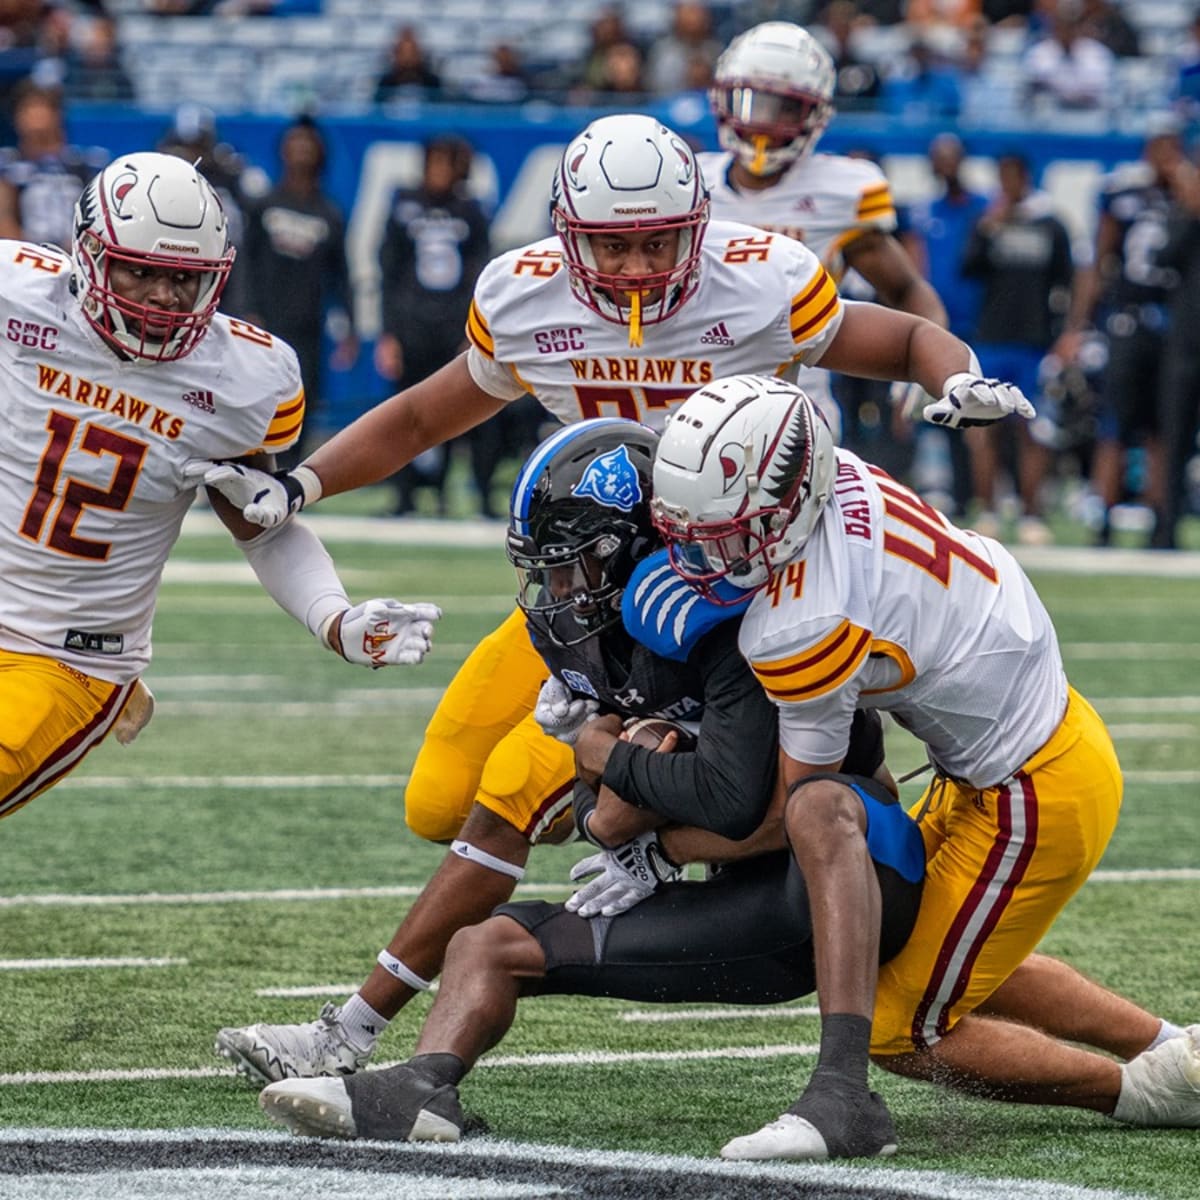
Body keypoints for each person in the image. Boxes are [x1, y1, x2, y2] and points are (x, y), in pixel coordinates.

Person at [202, 111, 1032, 1083]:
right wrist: (302, 485)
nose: (636, 267)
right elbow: (428, 411)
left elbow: (904, 338)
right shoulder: (526, 300)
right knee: (443, 797)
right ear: (564, 233)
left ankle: (353, 1026)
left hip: (723, 595)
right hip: (585, 587)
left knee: (514, 799)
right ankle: (661, 827)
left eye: (655, 242)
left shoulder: (760, 279)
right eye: (612, 245)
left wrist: (957, 376)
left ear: (698, 228)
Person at [253, 416, 928, 1152]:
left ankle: (840, 1095)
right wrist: (610, 784)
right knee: (486, 943)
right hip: (745, 905)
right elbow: (599, 821)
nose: (559, 590)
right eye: (546, 568)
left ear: (638, 549)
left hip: (852, 884)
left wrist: (610, 762)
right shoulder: (617, 634)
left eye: (575, 567)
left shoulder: (748, 623)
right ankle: (421, 1090)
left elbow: (736, 801)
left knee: (830, 819)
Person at [648, 372, 1198, 1157]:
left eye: (729, 534)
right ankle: (1175, 1045)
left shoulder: (803, 617)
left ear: (788, 504)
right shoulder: (841, 474)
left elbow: (793, 816)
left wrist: (660, 848)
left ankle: (1139, 1095)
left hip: (1030, 792)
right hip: (1018, 749)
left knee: (900, 1027)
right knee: (924, 948)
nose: (704, 556)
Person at [0, 151, 439, 821]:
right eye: (140, 270)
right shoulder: (16, 296)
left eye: (184, 278)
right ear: (87, 254)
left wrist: (334, 618)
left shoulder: (242, 382)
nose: (162, 296)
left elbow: (260, 525)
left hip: (63, 654)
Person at [700, 20, 947, 443]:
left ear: (815, 113)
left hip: (796, 405)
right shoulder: (690, 184)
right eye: (750, 102)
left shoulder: (838, 192)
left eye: (783, 108)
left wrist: (930, 363)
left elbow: (906, 290)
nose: (763, 122)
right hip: (692, 389)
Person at [1053, 116, 1186, 546]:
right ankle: (1103, 517)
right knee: (1114, 423)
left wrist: (1181, 178)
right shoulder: (1123, 192)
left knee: (1164, 426)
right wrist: (1077, 326)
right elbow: (1097, 261)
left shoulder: (1188, 192)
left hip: (1175, 323)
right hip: (1128, 319)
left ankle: (1158, 519)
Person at [959, 152, 1074, 544]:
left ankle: (1031, 512)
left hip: (1033, 342)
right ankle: (988, 508)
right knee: (984, 428)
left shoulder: (1050, 225)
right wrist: (989, 229)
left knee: (1033, 431)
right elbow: (967, 269)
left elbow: (1068, 281)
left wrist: (1066, 334)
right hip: (991, 337)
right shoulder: (987, 222)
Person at [374, 135, 492, 516]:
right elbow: (388, 271)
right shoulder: (405, 204)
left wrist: (471, 331)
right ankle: (405, 494)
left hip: (453, 324)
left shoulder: (470, 210)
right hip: (412, 323)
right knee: (404, 411)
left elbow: (482, 275)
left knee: (460, 413)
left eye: (447, 163)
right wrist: (389, 332)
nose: (440, 171)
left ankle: (453, 493)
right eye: (434, 162)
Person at [242, 116, 357, 468]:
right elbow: (245, 261)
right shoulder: (264, 205)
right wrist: (246, 309)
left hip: (307, 325)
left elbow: (342, 273)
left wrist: (349, 326)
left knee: (303, 398)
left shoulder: (329, 212)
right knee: (254, 398)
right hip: (264, 322)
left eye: (308, 144)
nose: (302, 151)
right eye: (295, 143)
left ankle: (289, 471)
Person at [0, 83, 105, 252]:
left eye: (41, 107)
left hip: (79, 253)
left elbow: (101, 216)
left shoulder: (85, 163)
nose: (35, 115)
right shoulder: (7, 165)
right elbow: (4, 218)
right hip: (25, 256)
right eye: (28, 109)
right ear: (16, 118)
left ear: (57, 114)